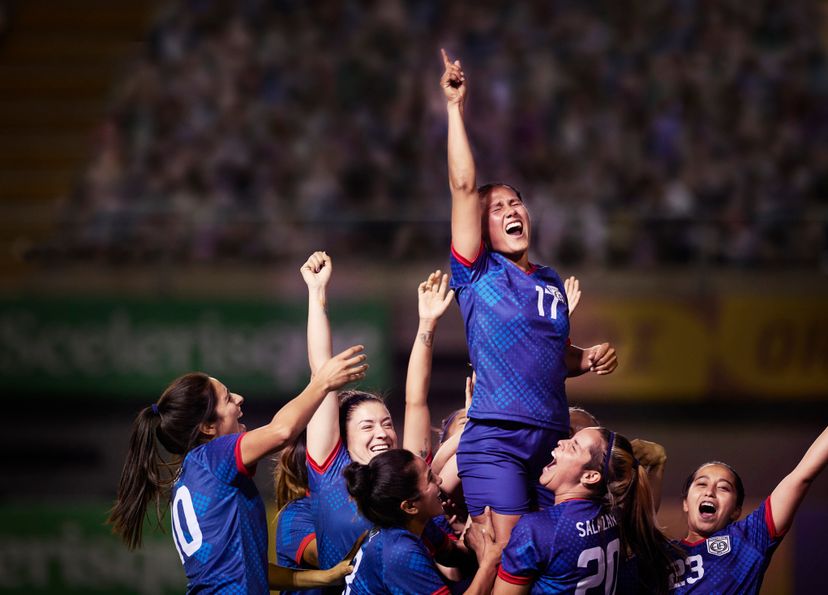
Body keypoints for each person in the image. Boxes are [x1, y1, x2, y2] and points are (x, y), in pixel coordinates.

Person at [441, 48, 618, 550]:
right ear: (479, 229)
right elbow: (462, 185)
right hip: (497, 440)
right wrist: (455, 108)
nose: (509, 210)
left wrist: (586, 358)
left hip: (554, 443)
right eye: (495, 209)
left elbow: (549, 359)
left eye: (514, 202)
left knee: (554, 564)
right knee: (510, 560)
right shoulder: (475, 271)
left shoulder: (551, 281)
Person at [108, 345, 368, 594]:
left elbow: (252, 571)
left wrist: (325, 576)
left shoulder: (191, 474)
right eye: (228, 398)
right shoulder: (211, 457)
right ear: (208, 428)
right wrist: (322, 383)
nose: (239, 399)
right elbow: (281, 431)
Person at [301, 251, 459, 576]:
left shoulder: (407, 473)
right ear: (342, 438)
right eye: (367, 426)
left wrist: (427, 324)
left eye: (387, 423)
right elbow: (322, 373)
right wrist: (317, 294)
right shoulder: (331, 471)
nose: (382, 433)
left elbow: (415, 400)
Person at [492, 428, 675, 594]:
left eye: (574, 447)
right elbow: (642, 512)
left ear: (590, 476)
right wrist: (657, 466)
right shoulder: (619, 519)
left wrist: (486, 562)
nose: (561, 442)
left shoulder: (536, 528)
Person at [670, 425, 828, 593]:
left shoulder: (748, 539)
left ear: (736, 510)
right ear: (685, 502)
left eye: (723, 488)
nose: (710, 492)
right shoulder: (658, 556)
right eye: (702, 484)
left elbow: (801, 476)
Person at [343, 448, 500, 594]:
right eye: (430, 478)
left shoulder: (412, 521)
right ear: (410, 506)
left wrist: (478, 538)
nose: (439, 480)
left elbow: (451, 554)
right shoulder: (399, 552)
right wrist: (487, 563)